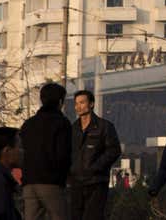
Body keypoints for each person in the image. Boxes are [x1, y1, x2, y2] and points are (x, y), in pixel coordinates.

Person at [19, 82, 72, 220]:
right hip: (51, 181)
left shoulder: (28, 124)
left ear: (42, 100)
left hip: (29, 182)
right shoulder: (62, 123)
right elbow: (63, 154)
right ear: (60, 101)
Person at [68, 90, 121, 220]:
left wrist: (95, 167)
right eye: (76, 103)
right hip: (76, 183)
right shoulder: (73, 128)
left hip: (96, 182)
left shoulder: (105, 127)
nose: (78, 106)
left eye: (82, 102)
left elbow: (114, 151)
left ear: (91, 104)